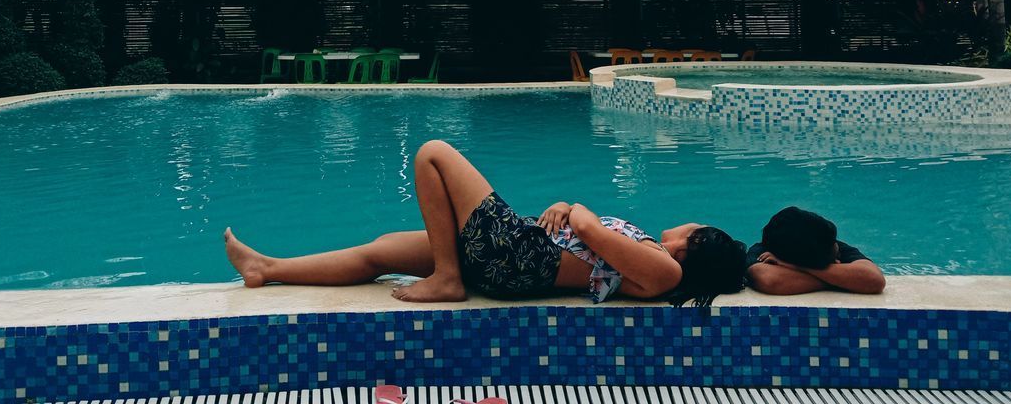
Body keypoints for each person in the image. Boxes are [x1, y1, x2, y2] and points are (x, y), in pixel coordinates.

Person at [224, 139, 746, 306]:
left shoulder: (666, 271)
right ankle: (267, 268)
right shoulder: (651, 254)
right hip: (515, 250)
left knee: (433, 154)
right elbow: (589, 239)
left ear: (694, 242)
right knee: (382, 251)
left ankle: (448, 278)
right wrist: (570, 212)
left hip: (519, 255)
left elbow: (587, 231)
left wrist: (575, 208)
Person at [745, 206, 885, 295]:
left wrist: (794, 267)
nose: (836, 245)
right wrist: (844, 280)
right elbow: (769, 280)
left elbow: (874, 280)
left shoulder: (826, 242)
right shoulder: (765, 250)